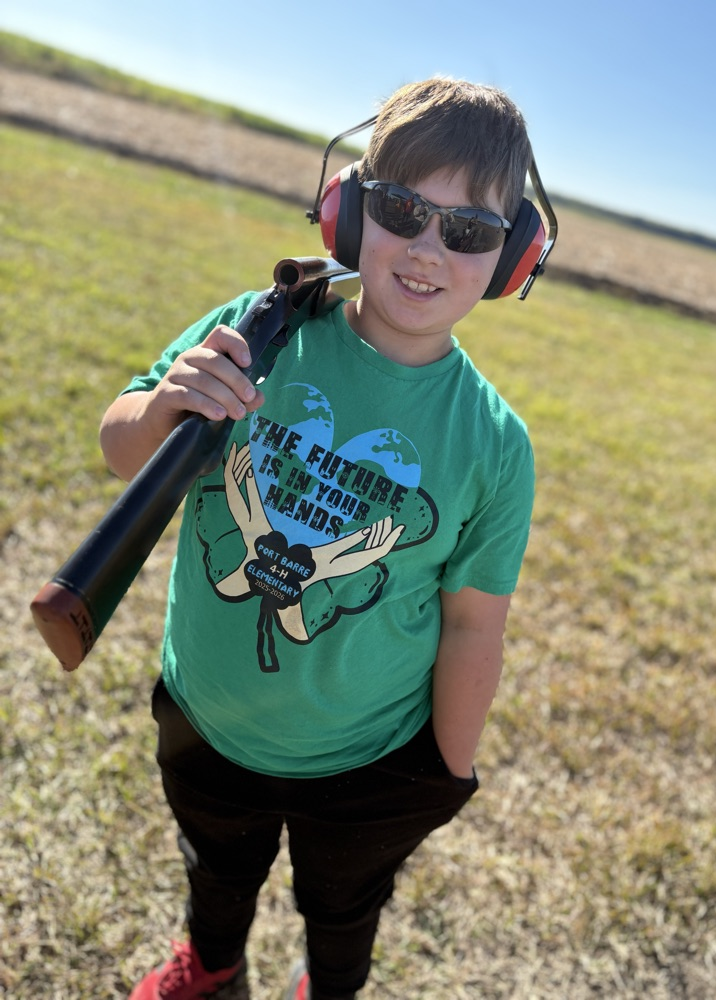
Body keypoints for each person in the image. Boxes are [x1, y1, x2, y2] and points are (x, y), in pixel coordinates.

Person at [103, 76, 538, 1000]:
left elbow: (472, 626)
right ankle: (212, 965)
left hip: (370, 760)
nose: (427, 249)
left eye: (467, 231)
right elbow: (119, 442)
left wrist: (443, 774)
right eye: (402, 210)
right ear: (347, 211)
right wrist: (168, 406)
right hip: (206, 716)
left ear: (512, 259)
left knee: (344, 907)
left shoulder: (494, 443)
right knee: (215, 871)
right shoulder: (258, 330)